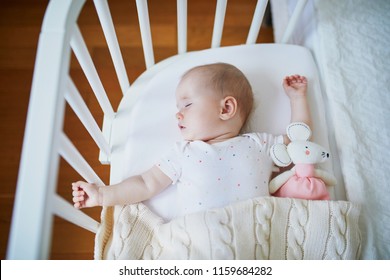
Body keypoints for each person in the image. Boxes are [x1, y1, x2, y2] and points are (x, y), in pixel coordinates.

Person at [72, 63, 311, 217]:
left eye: (187, 104)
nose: (178, 113)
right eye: (178, 107)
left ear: (226, 108)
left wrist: (297, 99)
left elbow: (300, 144)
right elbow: (145, 184)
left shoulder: (260, 144)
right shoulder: (183, 153)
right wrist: (103, 195)